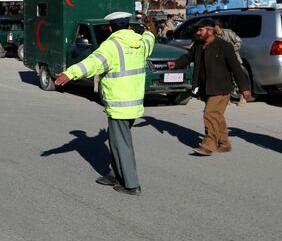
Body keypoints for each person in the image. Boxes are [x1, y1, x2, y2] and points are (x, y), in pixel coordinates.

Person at [54, 12, 155, 196]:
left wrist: (70, 73)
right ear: (129, 26)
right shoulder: (140, 42)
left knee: (121, 144)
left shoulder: (111, 45)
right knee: (116, 140)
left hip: (119, 104)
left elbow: (92, 63)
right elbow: (150, 39)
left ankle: (131, 185)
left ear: (109, 27)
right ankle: (115, 175)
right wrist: (147, 30)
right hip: (134, 103)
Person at [168, 18, 251, 156]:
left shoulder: (225, 46)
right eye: (198, 30)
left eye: (201, 30)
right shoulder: (199, 45)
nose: (198, 33)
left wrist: (244, 88)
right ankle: (224, 143)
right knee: (217, 116)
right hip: (206, 88)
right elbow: (188, 58)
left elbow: (236, 68)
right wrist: (176, 64)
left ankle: (208, 144)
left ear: (210, 30)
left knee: (210, 113)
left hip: (221, 88)